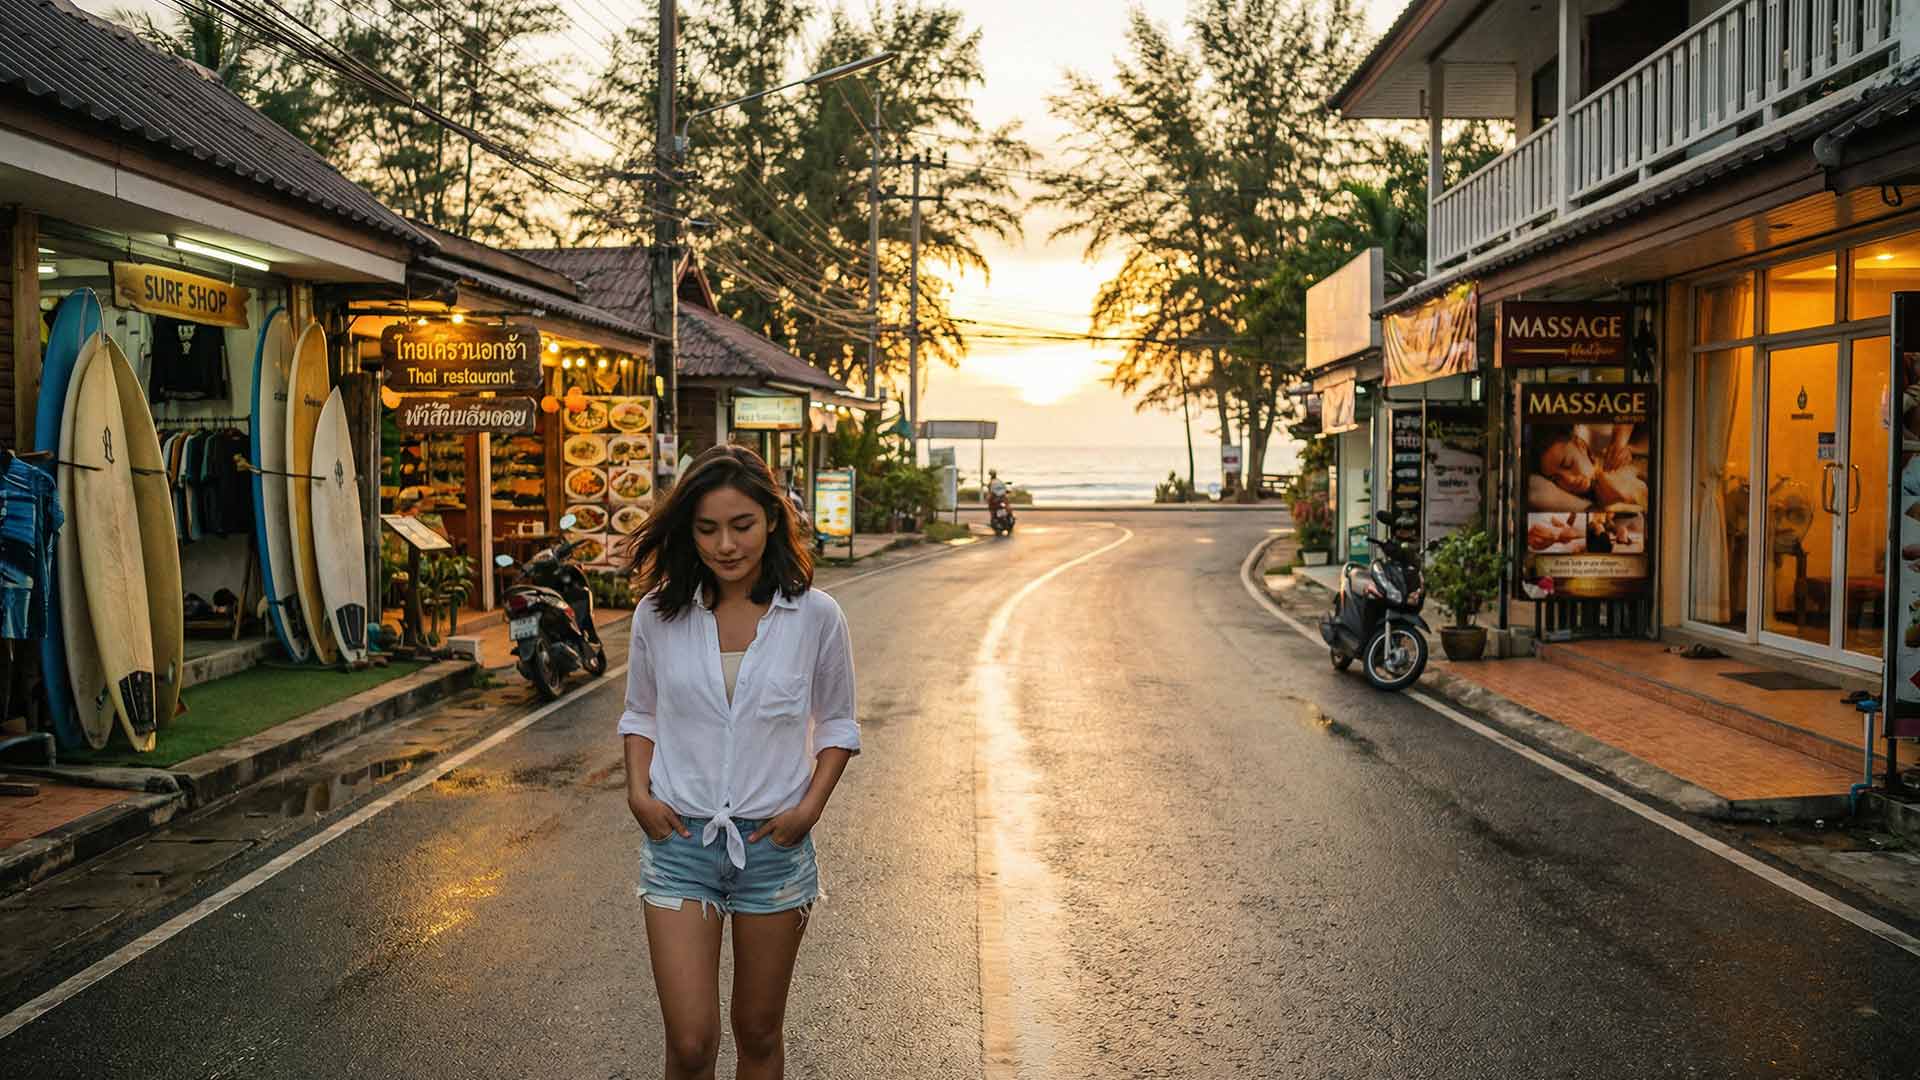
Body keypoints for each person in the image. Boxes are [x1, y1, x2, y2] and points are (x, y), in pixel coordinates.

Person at [619, 444, 859, 1080]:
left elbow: (836, 723)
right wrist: (637, 792)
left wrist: (807, 810)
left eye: (741, 525)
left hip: (773, 850)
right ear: (688, 531)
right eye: (706, 529)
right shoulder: (658, 615)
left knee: (756, 1032)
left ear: (773, 520)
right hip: (679, 848)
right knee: (692, 1042)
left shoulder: (815, 617)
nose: (725, 544)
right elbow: (641, 712)